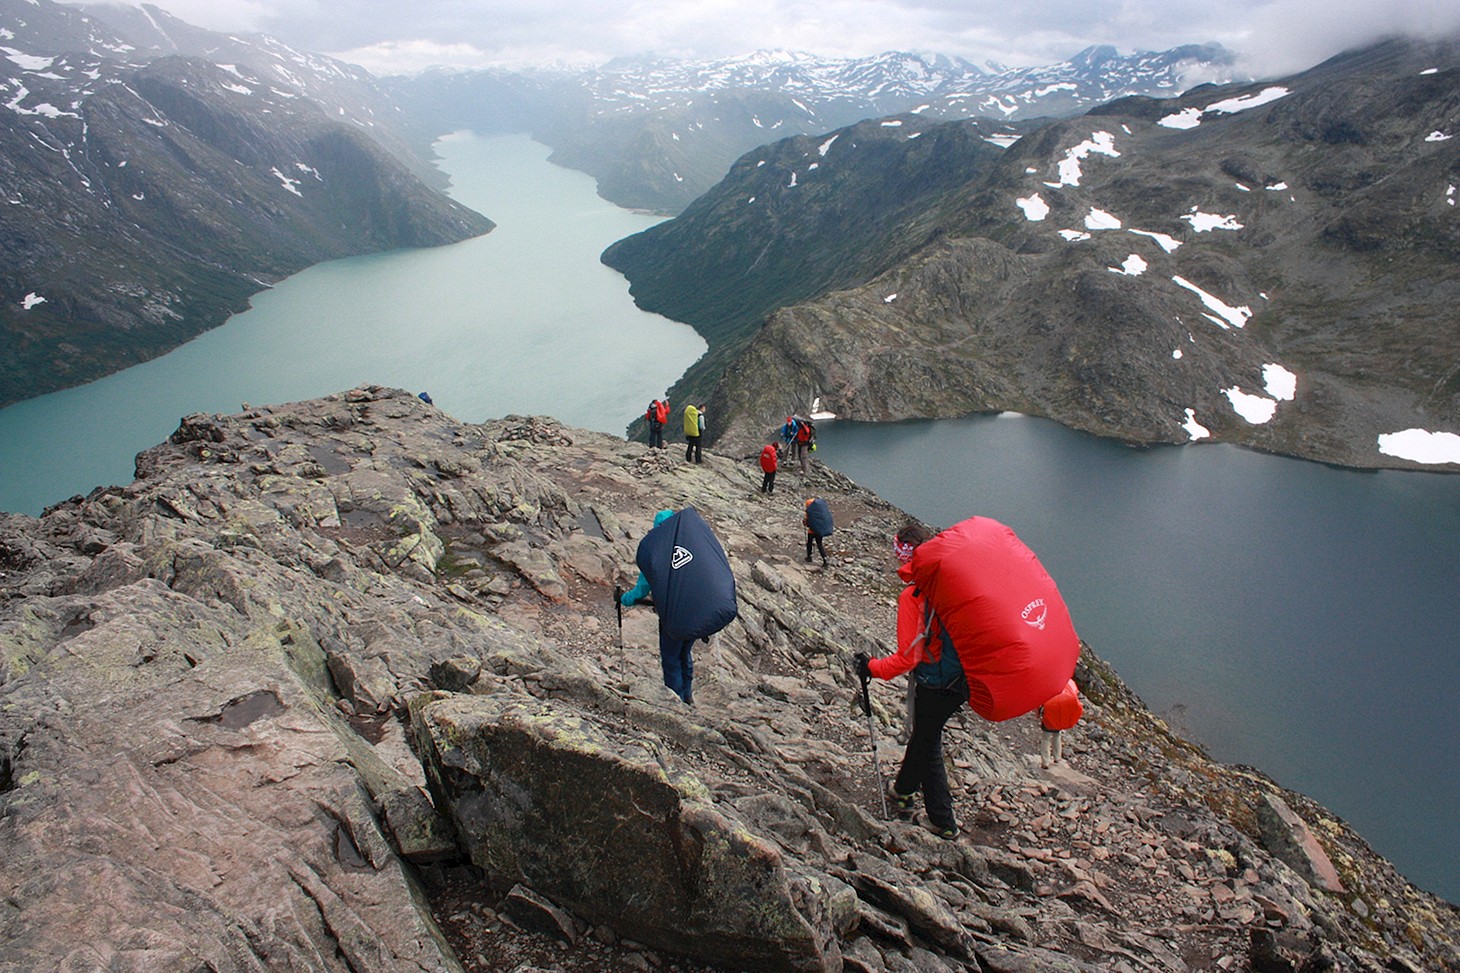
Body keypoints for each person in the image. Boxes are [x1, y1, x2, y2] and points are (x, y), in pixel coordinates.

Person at [855, 521, 966, 840]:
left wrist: (871, 667)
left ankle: (943, 822)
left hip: (935, 681)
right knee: (924, 736)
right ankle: (903, 789)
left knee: (928, 743)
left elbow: (907, 659)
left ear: (908, 553)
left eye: (900, 551)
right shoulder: (950, 580)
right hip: (962, 678)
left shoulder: (914, 594)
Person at [620, 510, 696, 704]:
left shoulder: (657, 554)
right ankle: (687, 694)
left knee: (671, 658)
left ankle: (676, 700)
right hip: (694, 612)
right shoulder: (689, 548)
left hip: (672, 615)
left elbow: (642, 589)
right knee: (684, 654)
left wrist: (624, 599)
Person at [1038, 679, 1083, 768]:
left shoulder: (1048, 686)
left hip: (1048, 716)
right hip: (1059, 717)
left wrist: (1038, 713)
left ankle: (1045, 761)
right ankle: (1057, 757)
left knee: (1045, 738)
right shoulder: (1066, 686)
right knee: (1057, 735)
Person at [803, 496, 833, 566]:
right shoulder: (820, 511)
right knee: (819, 544)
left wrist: (805, 522)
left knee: (809, 542)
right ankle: (825, 559)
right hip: (819, 530)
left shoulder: (810, 512)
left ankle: (809, 556)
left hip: (812, 530)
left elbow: (807, 523)